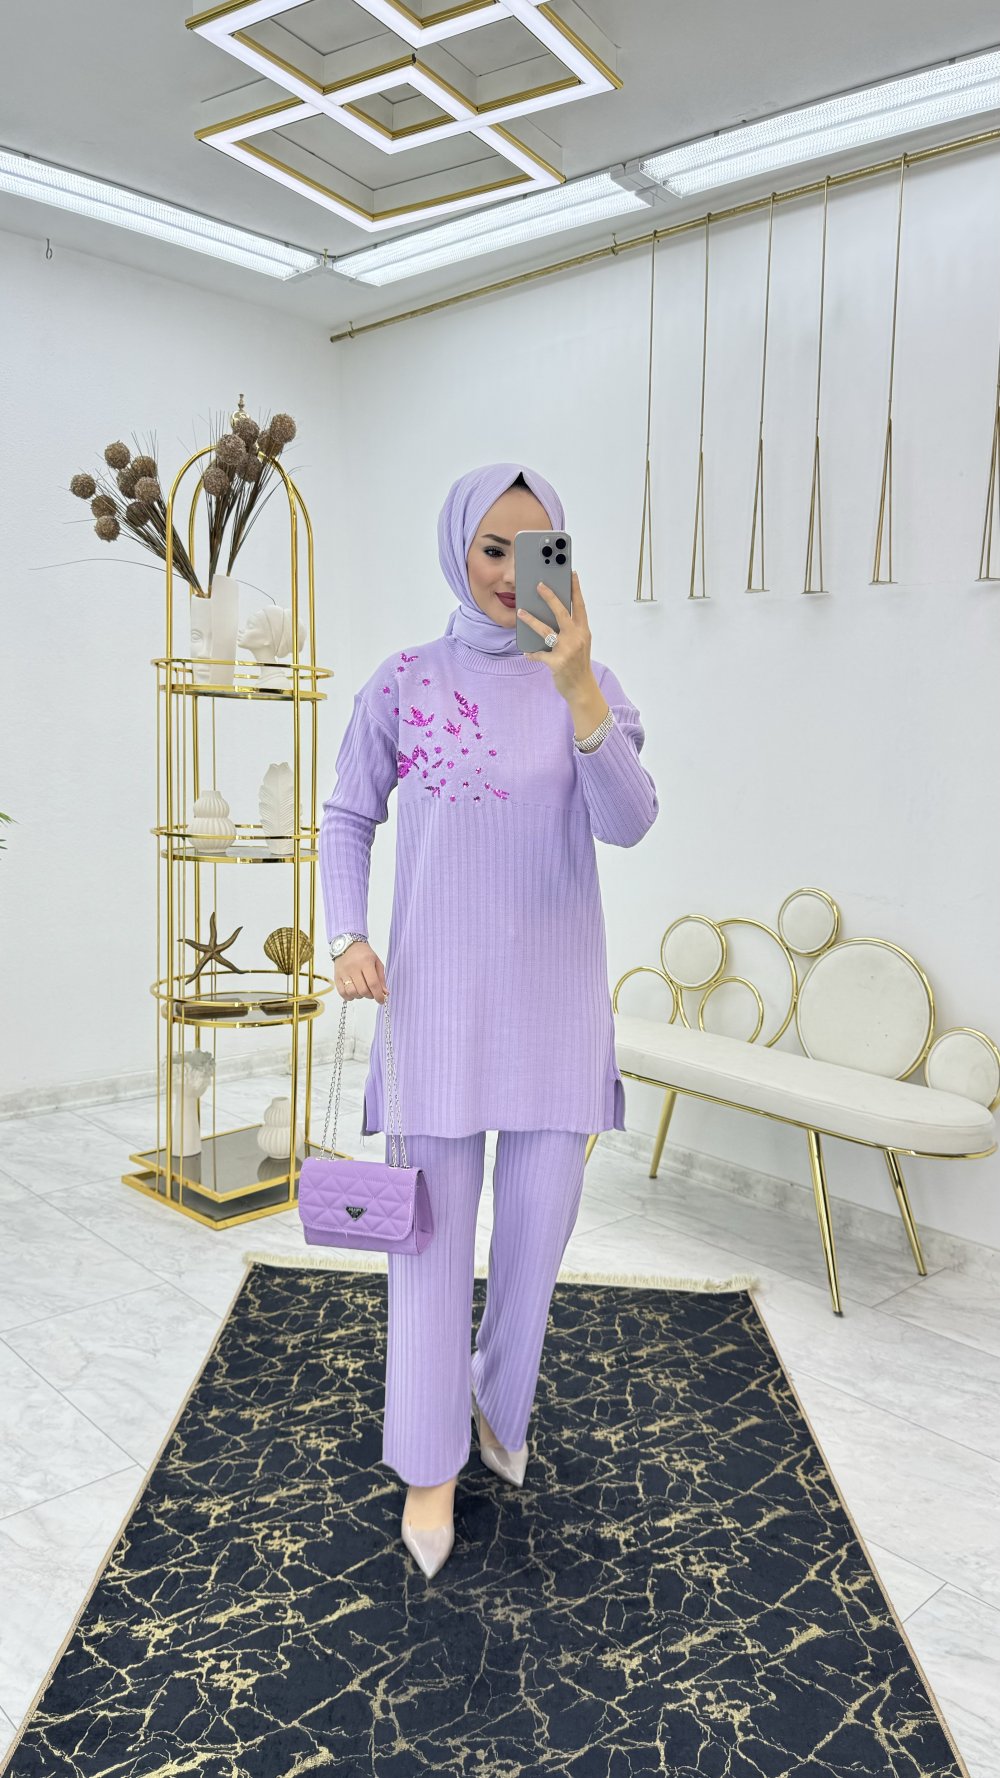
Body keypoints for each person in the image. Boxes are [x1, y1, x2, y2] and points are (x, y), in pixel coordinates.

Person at [318, 462, 659, 1578]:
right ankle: (430, 1462)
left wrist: (578, 686)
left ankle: (498, 1404)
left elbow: (629, 823)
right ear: (458, 549)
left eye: (537, 547)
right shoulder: (405, 681)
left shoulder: (589, 681)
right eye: (493, 548)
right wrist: (346, 933)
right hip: (436, 1011)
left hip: (555, 1013)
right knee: (425, 1248)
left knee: (534, 1239)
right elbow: (348, 812)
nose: (514, 571)